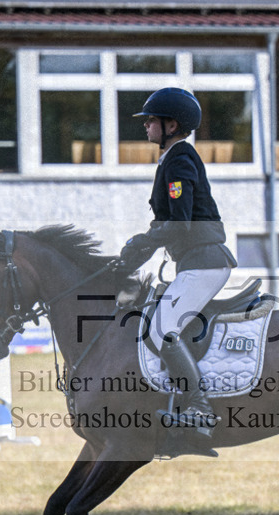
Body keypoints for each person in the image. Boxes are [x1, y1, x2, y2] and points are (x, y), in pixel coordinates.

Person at [116, 87, 237, 438]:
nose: (146, 125)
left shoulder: (180, 159)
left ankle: (199, 406)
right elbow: (168, 224)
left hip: (205, 261)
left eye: (152, 120)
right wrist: (139, 249)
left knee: (162, 327)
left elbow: (181, 223)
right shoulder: (171, 158)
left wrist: (145, 241)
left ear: (172, 124)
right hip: (194, 260)